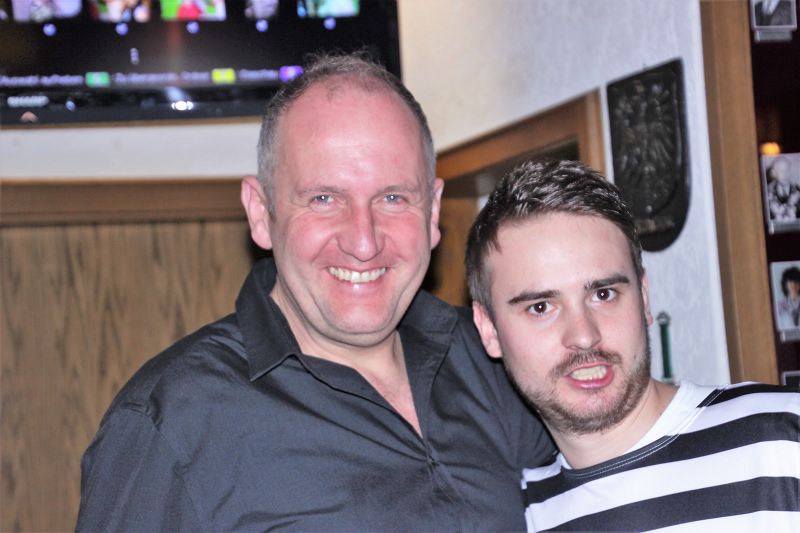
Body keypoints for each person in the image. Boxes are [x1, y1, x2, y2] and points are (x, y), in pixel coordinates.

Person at [76, 53, 553, 531]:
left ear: (432, 212)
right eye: (324, 199)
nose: (363, 242)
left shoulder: (498, 358)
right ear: (260, 213)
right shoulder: (169, 422)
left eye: (393, 198)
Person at [465, 159, 800, 532]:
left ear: (643, 297)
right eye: (541, 307)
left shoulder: (784, 440)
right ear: (489, 329)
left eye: (603, 294)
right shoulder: (523, 517)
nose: (584, 335)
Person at [766, 155, 800, 222]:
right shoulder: (767, 192)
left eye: (787, 170)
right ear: (775, 173)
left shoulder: (798, 191)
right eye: (781, 171)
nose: (785, 174)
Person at [777, 265, 800, 330]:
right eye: (790, 282)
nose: (793, 285)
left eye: (796, 282)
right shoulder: (780, 305)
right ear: (785, 284)